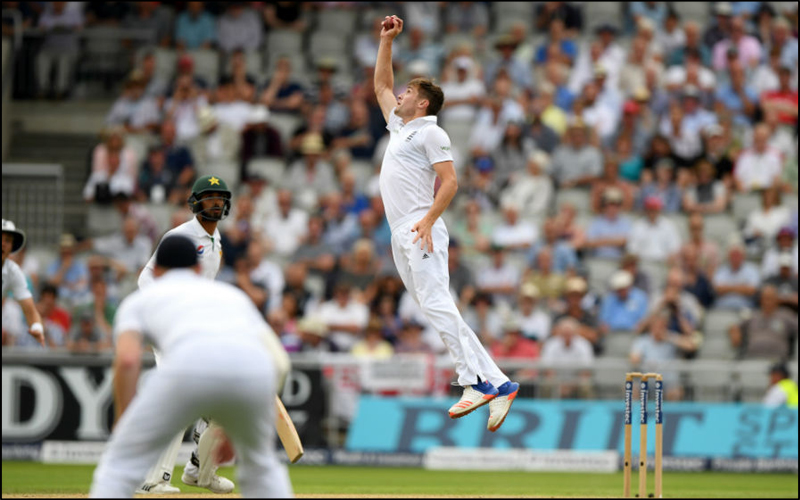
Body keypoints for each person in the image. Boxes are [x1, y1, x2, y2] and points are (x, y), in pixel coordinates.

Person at [374, 15, 518, 432]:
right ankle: (500, 382)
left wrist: (427, 221)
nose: (399, 94)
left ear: (422, 104)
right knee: (436, 308)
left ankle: (472, 382)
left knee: (437, 304)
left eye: (409, 92)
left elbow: (452, 182)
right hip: (402, 230)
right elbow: (382, 86)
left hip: (421, 226)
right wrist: (387, 41)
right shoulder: (400, 127)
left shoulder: (430, 133)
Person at [89, 235, 292, 497]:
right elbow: (279, 362)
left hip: (185, 367)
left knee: (119, 465)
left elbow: (128, 359)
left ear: (157, 271)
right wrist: (234, 426)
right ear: (198, 269)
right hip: (251, 373)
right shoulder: (232, 296)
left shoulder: (139, 302)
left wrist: (123, 421)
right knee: (262, 469)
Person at [135, 175, 234, 494]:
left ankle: (199, 472)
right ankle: (153, 480)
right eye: (209, 197)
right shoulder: (179, 236)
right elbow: (145, 279)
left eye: (220, 198)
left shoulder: (217, 243)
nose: (216, 203)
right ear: (195, 202)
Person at [1, 220, 45, 347]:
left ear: (12, 247)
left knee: (13, 311)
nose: (3, 244)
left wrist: (37, 327)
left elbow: (30, 310)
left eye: (8, 240)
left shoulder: (14, 272)